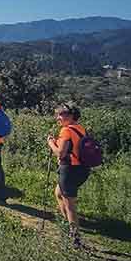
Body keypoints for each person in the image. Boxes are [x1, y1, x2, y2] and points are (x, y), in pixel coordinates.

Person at [48, 102, 91, 247]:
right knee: (59, 193)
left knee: (69, 204)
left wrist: (51, 143)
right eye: (58, 115)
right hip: (82, 169)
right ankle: (68, 225)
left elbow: (60, 153)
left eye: (61, 115)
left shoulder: (66, 131)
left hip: (70, 170)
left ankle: (75, 238)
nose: (58, 118)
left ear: (71, 116)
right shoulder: (80, 128)